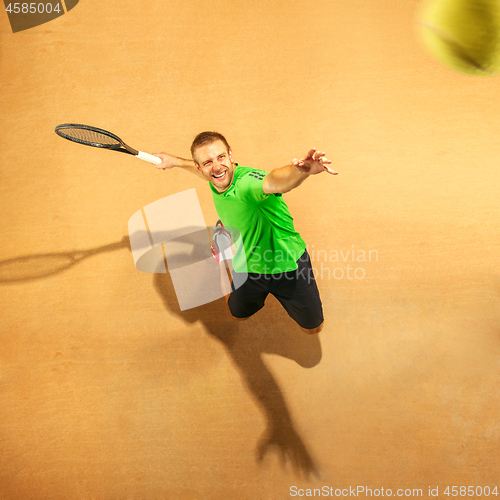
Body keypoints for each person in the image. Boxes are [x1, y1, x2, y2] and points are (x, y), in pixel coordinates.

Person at [153, 132, 337, 334]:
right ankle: (224, 255)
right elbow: (212, 173)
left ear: (231, 155)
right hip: (247, 266)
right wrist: (175, 162)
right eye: (207, 162)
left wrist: (302, 171)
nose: (216, 166)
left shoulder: (247, 184)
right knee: (238, 314)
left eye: (221, 157)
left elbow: (275, 181)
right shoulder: (216, 177)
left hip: (289, 266)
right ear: (199, 167)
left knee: (313, 328)